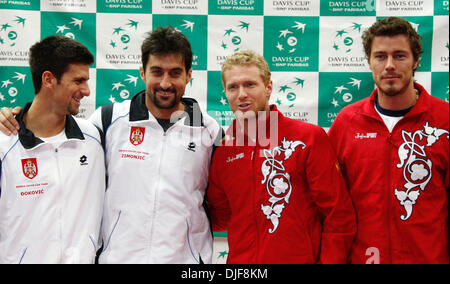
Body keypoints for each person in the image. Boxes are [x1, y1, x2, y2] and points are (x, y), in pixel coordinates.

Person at [0, 27, 222, 264]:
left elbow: (223, 200)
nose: (165, 83)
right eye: (156, 72)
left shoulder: (209, 130)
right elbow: (51, 131)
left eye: (175, 73)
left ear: (189, 75)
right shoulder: (106, 121)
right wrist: (14, 118)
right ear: (142, 73)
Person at [207, 50, 356, 264]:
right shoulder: (223, 150)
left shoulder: (307, 138)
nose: (241, 94)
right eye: (233, 87)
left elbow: (338, 215)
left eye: (250, 84)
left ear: (268, 87)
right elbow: (220, 217)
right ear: (225, 93)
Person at [328, 17, 449, 264]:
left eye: (400, 56)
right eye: (380, 56)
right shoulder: (347, 122)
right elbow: (332, 207)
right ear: (370, 62)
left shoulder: (445, 120)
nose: (390, 65)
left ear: (417, 61)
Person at [0, 35, 105, 264]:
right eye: (78, 81)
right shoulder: (4, 144)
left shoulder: (95, 137)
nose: (86, 91)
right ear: (48, 79)